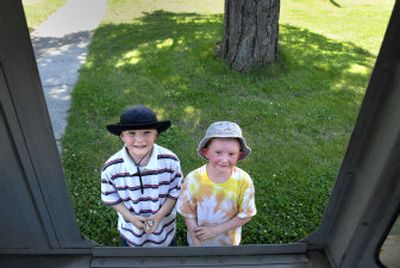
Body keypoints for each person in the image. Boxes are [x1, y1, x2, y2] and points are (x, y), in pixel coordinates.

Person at [101, 105, 183, 247]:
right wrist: (131, 218)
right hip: (130, 232)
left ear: (156, 134)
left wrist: (158, 216)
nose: (139, 139)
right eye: (131, 133)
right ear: (121, 136)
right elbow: (111, 197)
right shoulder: (112, 168)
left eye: (147, 132)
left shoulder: (170, 161)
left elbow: (175, 191)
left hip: (164, 230)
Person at [177, 121, 256, 246]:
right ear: (206, 152)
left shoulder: (243, 181)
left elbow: (246, 214)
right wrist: (196, 242)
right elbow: (188, 214)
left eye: (231, 154)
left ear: (239, 155)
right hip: (198, 242)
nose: (224, 160)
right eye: (218, 153)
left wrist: (215, 231)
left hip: (228, 244)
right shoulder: (193, 179)